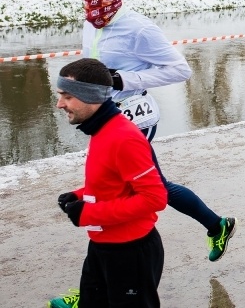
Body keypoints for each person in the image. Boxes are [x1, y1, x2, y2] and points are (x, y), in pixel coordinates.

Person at [81, 0, 235, 263]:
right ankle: (218, 225)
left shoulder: (139, 28)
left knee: (116, 190)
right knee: (144, 186)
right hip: (102, 116)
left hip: (132, 115)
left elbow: (181, 69)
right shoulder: (90, 22)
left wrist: (125, 79)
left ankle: (96, 287)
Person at [49, 58, 167, 308]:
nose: (60, 104)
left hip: (130, 253)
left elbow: (155, 198)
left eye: (67, 96)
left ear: (90, 96)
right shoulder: (100, 130)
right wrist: (79, 195)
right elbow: (112, 182)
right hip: (102, 248)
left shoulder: (123, 137)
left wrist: (89, 213)